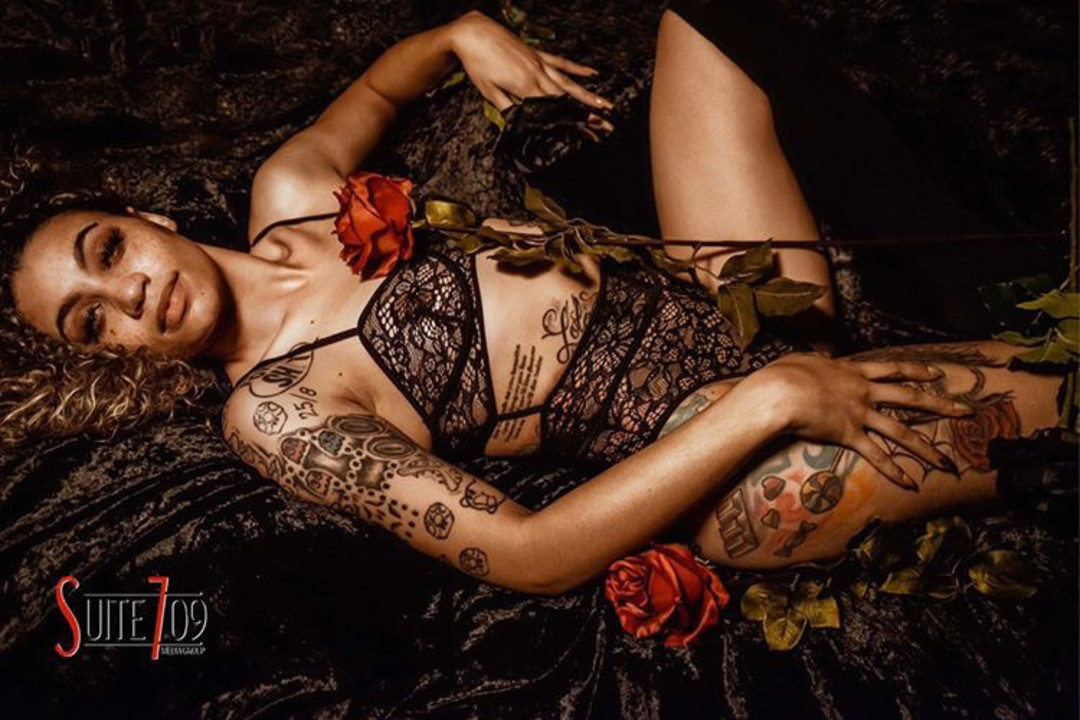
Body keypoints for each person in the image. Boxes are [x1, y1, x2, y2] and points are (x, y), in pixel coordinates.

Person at [1, 5, 1065, 595]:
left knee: (705, 21)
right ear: (110, 358)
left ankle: (988, 281)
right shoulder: (273, 410)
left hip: (729, 291)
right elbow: (525, 555)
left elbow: (378, 88)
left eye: (107, 251)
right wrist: (768, 401)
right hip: (722, 445)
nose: (130, 293)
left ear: (143, 216)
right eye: (94, 322)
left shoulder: (292, 193)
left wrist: (459, 35)